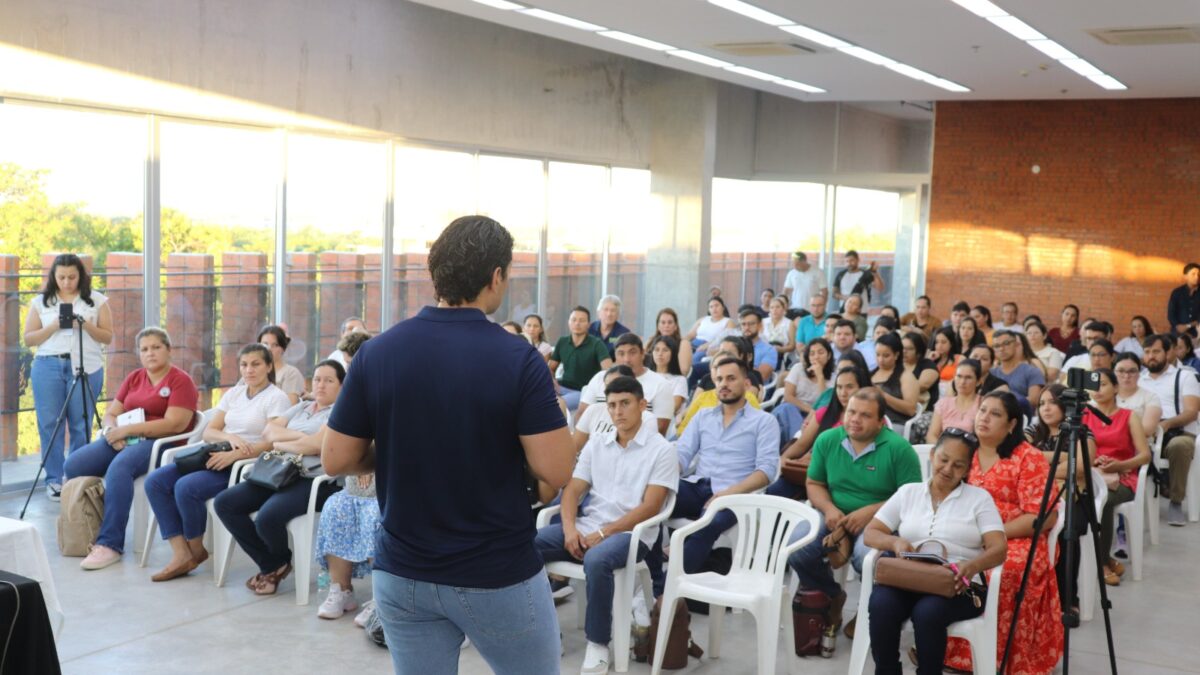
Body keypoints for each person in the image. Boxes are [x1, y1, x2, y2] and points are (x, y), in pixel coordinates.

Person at [321, 216, 575, 674]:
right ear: (496, 276)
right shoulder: (519, 358)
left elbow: (337, 459)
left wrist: (402, 447)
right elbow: (556, 471)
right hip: (496, 572)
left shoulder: (377, 352)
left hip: (402, 572)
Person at [534, 376, 678, 674]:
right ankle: (545, 632)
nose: (617, 412)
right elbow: (572, 491)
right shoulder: (597, 443)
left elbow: (650, 507)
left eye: (625, 403)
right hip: (589, 524)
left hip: (632, 533)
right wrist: (572, 528)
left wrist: (603, 533)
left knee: (598, 560)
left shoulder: (661, 450)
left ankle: (598, 643)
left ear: (642, 405)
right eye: (611, 405)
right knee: (528, 545)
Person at [144, 343, 292, 582]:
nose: (249, 370)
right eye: (244, 365)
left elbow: (273, 442)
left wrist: (236, 454)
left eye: (255, 364)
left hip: (243, 465)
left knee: (186, 488)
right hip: (215, 452)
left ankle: (194, 549)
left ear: (268, 366)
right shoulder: (234, 393)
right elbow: (210, 432)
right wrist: (229, 438)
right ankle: (183, 553)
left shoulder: (277, 398)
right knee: (155, 481)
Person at [864, 429, 1007, 675]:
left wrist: (971, 566)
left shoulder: (979, 499)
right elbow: (871, 532)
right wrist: (895, 543)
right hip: (910, 578)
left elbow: (999, 549)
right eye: (943, 459)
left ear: (967, 470)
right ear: (932, 455)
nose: (948, 469)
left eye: (958, 465)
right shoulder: (909, 492)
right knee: (881, 605)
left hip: (957, 583)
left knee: (928, 613)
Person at [788, 388, 922, 649]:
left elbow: (912, 498)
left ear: (880, 420)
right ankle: (832, 595)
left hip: (880, 522)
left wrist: (871, 512)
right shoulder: (828, 439)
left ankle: (870, 610)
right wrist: (828, 509)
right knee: (797, 546)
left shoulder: (899, 449)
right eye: (851, 412)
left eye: (864, 415)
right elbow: (814, 482)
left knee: (866, 558)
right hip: (833, 515)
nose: (854, 420)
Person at [945, 392, 1062, 674]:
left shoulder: (1028, 458)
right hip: (965, 531)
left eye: (995, 414)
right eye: (982, 410)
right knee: (938, 560)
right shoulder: (965, 452)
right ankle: (946, 646)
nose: (984, 418)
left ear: (1011, 424)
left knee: (1007, 570)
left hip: (1016, 536)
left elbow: (1041, 517)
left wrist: (991, 536)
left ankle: (1002, 657)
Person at [64, 327, 199, 569]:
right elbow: (112, 413)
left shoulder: (181, 381)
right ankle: (94, 522)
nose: (150, 353)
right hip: (127, 438)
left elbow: (175, 424)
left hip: (160, 443)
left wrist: (127, 431)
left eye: (156, 347)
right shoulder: (135, 377)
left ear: (169, 350)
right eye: (144, 349)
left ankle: (110, 544)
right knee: (74, 464)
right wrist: (110, 432)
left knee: (119, 468)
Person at [214, 360, 345, 595]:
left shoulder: (340, 412)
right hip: (281, 471)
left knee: (267, 517)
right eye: (316, 379)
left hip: (313, 480)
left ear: (342, 386)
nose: (321, 385)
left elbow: (317, 446)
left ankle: (275, 565)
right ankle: (274, 563)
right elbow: (268, 432)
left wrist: (285, 441)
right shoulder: (303, 407)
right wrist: (300, 440)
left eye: (329, 380)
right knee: (225, 503)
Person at [661, 357, 778, 587]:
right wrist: (663, 477)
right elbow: (683, 454)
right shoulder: (703, 416)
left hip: (737, 496)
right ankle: (653, 572)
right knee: (653, 499)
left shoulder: (764, 421)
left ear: (746, 383)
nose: (723, 384)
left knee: (710, 523)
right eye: (719, 379)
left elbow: (767, 471)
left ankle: (662, 592)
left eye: (731, 378)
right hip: (698, 486)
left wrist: (729, 493)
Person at [23, 253, 113, 501]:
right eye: (61, 277)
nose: (67, 282)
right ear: (54, 276)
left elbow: (107, 337)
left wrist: (83, 324)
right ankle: (53, 480)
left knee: (80, 425)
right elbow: (29, 339)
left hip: (87, 366)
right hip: (48, 366)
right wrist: (55, 325)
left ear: (80, 276)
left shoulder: (96, 300)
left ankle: (77, 478)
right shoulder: (41, 301)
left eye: (72, 277)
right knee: (49, 424)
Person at [1026, 384, 1094, 615]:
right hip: (1037, 497)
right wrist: (1062, 458)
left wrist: (1040, 464)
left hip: (1075, 498)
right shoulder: (1033, 431)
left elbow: (1081, 467)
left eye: (1052, 402)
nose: (1046, 408)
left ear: (1065, 405)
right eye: (1041, 403)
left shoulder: (1080, 431)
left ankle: (1067, 599)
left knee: (1067, 532)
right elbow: (1020, 459)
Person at [1082, 369, 1151, 586]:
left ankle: (1101, 563)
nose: (1097, 390)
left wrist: (1120, 464)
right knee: (1078, 499)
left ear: (1115, 387)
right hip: (1092, 474)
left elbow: (1145, 455)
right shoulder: (1084, 415)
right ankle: (1097, 558)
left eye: (1102, 384)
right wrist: (1092, 462)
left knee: (1105, 501)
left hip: (1122, 477)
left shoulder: (1129, 416)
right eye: (1093, 385)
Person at [767, 366, 869, 500]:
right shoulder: (825, 413)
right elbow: (801, 445)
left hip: (842, 479)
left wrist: (816, 461)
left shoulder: (869, 419)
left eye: (849, 387)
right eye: (839, 387)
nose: (843, 393)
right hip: (808, 473)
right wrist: (784, 461)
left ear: (862, 388)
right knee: (774, 491)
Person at [1139, 334, 1200, 526]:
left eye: (1156, 351)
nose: (1151, 356)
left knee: (1179, 446)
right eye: (1147, 352)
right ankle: (1133, 499)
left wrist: (1166, 424)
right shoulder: (1139, 379)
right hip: (1146, 431)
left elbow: (1191, 411)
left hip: (1178, 430)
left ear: (1168, 352)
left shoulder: (1185, 376)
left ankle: (1175, 501)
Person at [314, 469, 381, 622]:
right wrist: (358, 465)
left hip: (388, 492)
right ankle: (342, 590)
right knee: (335, 507)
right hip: (354, 491)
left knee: (375, 517)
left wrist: (372, 464)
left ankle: (381, 600)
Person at [576, 334, 674, 435]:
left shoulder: (660, 384)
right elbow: (581, 415)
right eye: (621, 354)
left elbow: (660, 428)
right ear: (615, 355)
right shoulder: (600, 378)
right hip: (596, 442)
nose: (627, 359)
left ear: (642, 354)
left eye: (632, 353)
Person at [574, 365, 659, 452]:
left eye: (617, 384)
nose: (612, 389)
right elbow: (575, 447)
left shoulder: (647, 418)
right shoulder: (594, 410)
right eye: (608, 386)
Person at [772, 337, 834, 448]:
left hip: (816, 418)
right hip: (793, 410)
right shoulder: (798, 368)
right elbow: (788, 396)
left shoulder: (834, 377)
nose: (816, 357)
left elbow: (824, 402)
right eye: (812, 353)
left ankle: (793, 447)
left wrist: (820, 376)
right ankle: (795, 445)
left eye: (821, 352)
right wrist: (811, 410)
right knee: (787, 409)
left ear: (828, 355)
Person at [549, 306, 614, 410]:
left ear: (588, 324)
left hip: (582, 392)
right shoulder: (562, 341)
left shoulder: (596, 344)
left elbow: (608, 370)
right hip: (561, 387)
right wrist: (552, 379)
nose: (577, 323)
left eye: (582, 320)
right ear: (569, 322)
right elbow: (550, 368)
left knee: (555, 406)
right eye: (573, 320)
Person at [926, 360, 983, 443]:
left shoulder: (984, 404)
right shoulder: (943, 404)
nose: (962, 382)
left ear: (978, 381)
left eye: (968, 377)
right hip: (943, 451)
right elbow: (932, 435)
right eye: (959, 376)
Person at [683, 297, 737, 383]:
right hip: (694, 344)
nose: (714, 309)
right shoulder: (703, 319)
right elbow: (690, 335)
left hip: (710, 347)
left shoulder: (728, 322)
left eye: (716, 306)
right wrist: (681, 342)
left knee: (696, 357)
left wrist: (706, 345)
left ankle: (689, 381)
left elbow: (726, 339)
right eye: (711, 307)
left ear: (723, 307)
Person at [871, 332, 920, 427]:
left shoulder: (906, 377)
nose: (880, 360)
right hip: (871, 422)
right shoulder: (870, 374)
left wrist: (883, 395)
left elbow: (911, 410)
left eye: (886, 356)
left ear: (896, 355)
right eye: (877, 355)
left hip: (896, 424)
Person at [991, 329, 1046, 411]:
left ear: (1016, 345)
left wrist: (1005, 404)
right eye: (997, 346)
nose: (1001, 349)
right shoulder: (991, 373)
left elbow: (1034, 400)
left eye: (1006, 343)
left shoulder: (1032, 371)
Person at [1114, 352, 1162, 438]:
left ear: (1139, 374)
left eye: (1132, 371)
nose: (1126, 376)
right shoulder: (1106, 396)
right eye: (1121, 371)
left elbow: (1147, 430)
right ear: (1114, 372)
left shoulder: (1150, 397)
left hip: (1137, 446)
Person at [258, 325, 306, 405]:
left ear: (283, 349)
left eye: (275, 345)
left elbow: (289, 405)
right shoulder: (252, 370)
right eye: (265, 344)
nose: (269, 349)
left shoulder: (291, 373)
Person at [645, 335, 688, 416]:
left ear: (673, 353)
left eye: (665, 350)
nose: (660, 354)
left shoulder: (679, 379)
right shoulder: (645, 376)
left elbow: (674, 406)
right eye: (656, 350)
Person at [644, 308, 693, 375]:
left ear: (675, 326)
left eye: (670, 322)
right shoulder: (650, 342)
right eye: (663, 322)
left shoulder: (683, 343)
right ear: (658, 326)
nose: (666, 326)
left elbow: (684, 371)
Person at [738, 308, 777, 383]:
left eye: (751, 324)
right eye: (743, 324)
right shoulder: (734, 345)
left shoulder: (769, 350)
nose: (747, 327)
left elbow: (761, 377)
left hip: (754, 389)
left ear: (760, 326)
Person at [1167, 262, 1200, 337]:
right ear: (1185, 276)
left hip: (1198, 333)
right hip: (1178, 332)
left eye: (1198, 274)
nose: (1197, 277)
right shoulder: (1177, 292)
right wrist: (1178, 326)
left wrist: (1188, 326)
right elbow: (1171, 314)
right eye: (1193, 274)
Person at [761, 296, 794, 368]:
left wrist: (781, 349)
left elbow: (792, 345)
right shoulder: (763, 322)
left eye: (777, 307)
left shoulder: (789, 323)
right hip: (764, 353)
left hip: (781, 354)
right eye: (772, 307)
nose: (774, 310)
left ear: (783, 309)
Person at [931, 326, 962, 397]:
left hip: (951, 394)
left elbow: (959, 381)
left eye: (943, 342)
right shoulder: (932, 358)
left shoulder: (959, 358)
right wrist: (930, 360)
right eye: (937, 342)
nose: (939, 346)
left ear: (951, 344)